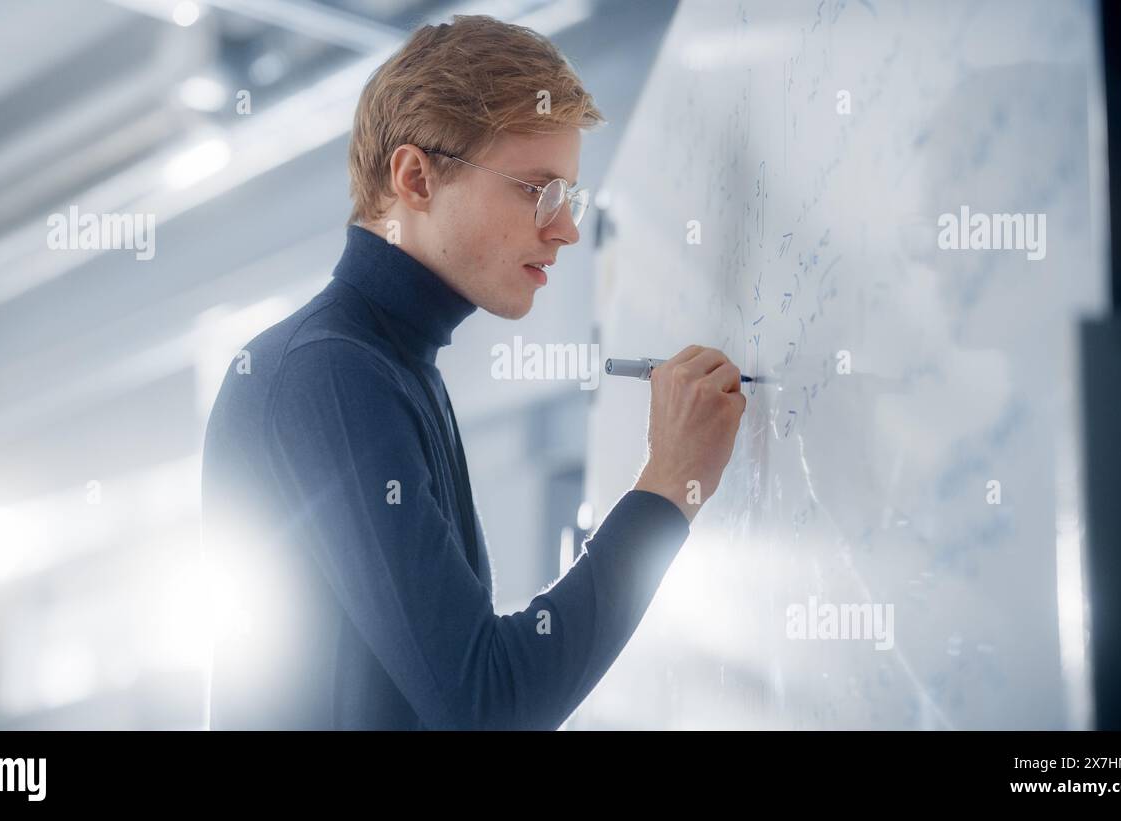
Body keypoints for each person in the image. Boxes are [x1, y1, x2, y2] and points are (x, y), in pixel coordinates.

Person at [200, 14, 745, 730]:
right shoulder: (330, 373)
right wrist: (668, 486)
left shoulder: (389, 367)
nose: (567, 228)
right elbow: (485, 702)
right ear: (415, 177)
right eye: (536, 190)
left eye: (569, 197)